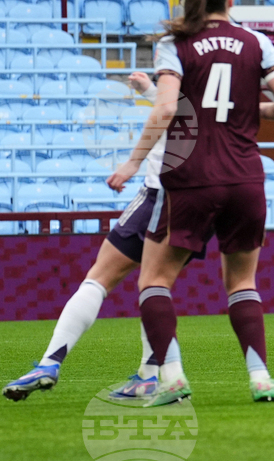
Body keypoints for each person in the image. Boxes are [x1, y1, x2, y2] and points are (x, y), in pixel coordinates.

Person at [107, 0, 274, 405]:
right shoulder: (257, 42)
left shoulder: (175, 44)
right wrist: (249, 108)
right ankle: (261, 379)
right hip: (246, 176)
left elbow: (165, 109)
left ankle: (172, 378)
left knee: (154, 279)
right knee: (243, 283)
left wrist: (133, 163)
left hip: (191, 176)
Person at [3, 72, 204, 402]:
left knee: (100, 278)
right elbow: (188, 111)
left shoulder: (180, 61)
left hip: (160, 193)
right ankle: (149, 376)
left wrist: (132, 163)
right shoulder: (223, 79)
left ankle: (50, 363)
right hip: (203, 199)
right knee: (157, 286)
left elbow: (170, 109)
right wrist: (149, 88)